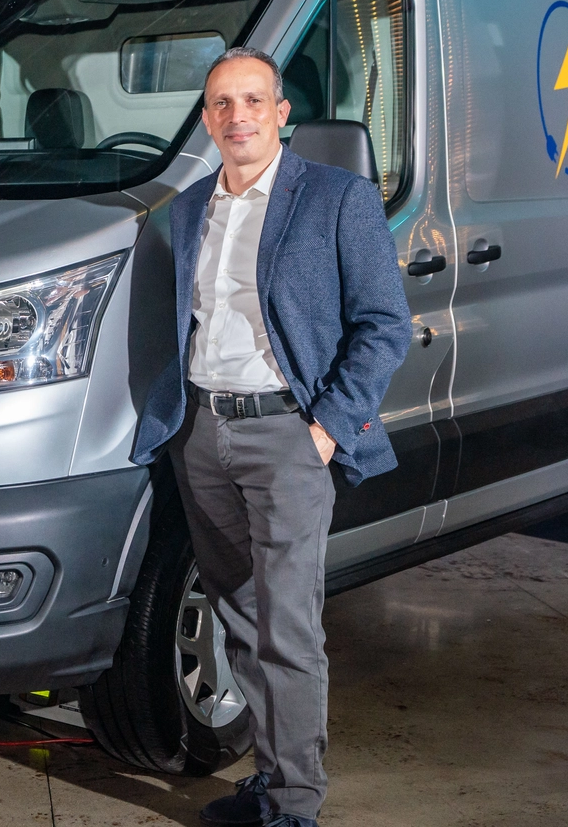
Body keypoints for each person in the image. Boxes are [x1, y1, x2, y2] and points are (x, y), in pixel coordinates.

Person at [130, 47, 411, 827]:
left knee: (287, 629)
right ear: (207, 119)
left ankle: (295, 808)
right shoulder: (187, 208)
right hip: (201, 434)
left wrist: (325, 430)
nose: (238, 115)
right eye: (222, 103)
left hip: (288, 435)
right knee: (241, 618)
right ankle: (271, 777)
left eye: (254, 100)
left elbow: (385, 326)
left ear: (281, 114)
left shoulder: (337, 198)